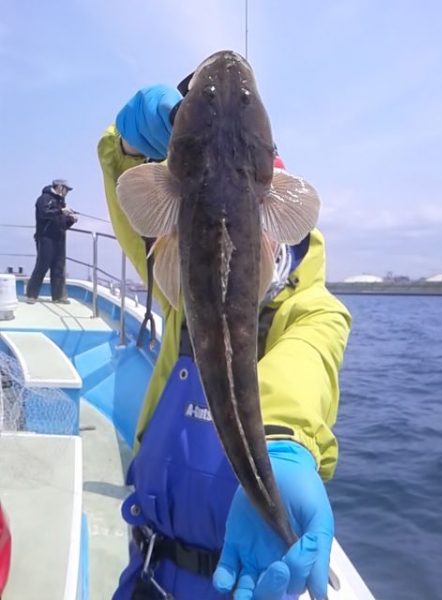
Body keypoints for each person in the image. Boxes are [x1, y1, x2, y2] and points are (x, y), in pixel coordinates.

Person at [98, 79, 351, 600]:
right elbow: (136, 206)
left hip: (243, 581)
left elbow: (313, 345)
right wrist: (124, 145)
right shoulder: (180, 284)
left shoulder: (307, 305)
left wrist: (282, 441)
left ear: (277, 192)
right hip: (144, 570)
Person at [26, 179, 77, 304]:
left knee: (58, 267)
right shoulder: (44, 198)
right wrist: (61, 211)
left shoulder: (61, 202)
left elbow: (61, 223)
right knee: (42, 266)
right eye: (66, 189)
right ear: (59, 187)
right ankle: (31, 295)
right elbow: (43, 214)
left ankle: (58, 296)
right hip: (45, 238)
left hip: (59, 238)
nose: (67, 192)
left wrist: (71, 220)